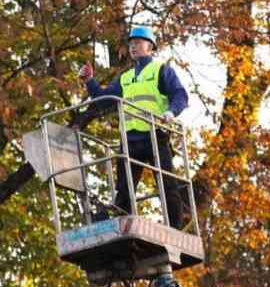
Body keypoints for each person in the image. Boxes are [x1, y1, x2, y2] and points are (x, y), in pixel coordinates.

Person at [79, 26, 189, 228]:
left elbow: (180, 95)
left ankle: (176, 228)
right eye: (131, 44)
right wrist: (90, 82)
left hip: (155, 135)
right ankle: (124, 224)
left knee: (167, 184)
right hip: (131, 139)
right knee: (124, 189)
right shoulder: (126, 77)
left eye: (138, 43)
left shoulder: (161, 70)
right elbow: (104, 100)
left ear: (150, 47)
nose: (133, 47)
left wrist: (171, 112)